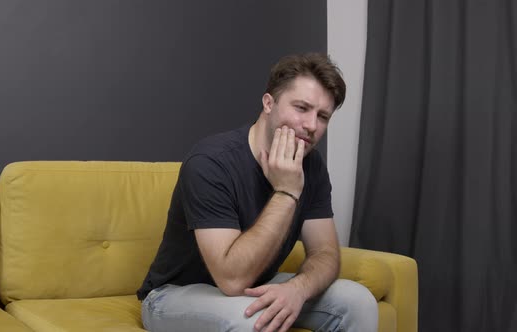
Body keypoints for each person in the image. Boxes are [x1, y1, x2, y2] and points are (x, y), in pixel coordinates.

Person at [137, 53, 378, 332]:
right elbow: (232, 279)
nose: (311, 125)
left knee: (359, 301)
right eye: (301, 108)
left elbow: (325, 253)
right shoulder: (211, 163)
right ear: (268, 103)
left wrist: (298, 288)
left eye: (322, 116)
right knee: (253, 320)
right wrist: (287, 191)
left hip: (254, 287)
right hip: (173, 296)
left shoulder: (311, 164)